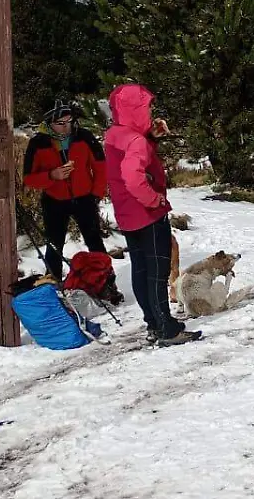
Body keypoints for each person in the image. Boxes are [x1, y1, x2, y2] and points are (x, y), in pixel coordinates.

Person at [104, 84, 201, 347]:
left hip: (126, 214)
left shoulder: (115, 134)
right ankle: (167, 328)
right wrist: (154, 198)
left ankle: (153, 323)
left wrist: (151, 136)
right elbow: (132, 177)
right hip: (147, 212)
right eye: (146, 107)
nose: (150, 111)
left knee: (141, 269)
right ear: (135, 109)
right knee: (157, 273)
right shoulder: (136, 141)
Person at [23, 101, 107, 280]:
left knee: (94, 241)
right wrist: (52, 176)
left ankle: (106, 280)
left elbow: (101, 167)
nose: (66, 127)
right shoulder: (38, 143)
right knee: (54, 245)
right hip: (54, 200)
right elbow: (28, 178)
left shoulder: (84, 137)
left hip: (85, 198)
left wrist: (96, 194)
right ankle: (53, 282)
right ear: (49, 123)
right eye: (60, 123)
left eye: (69, 121)